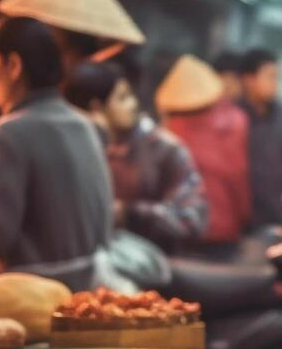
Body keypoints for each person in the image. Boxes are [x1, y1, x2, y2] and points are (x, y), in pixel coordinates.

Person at [0, 17, 117, 292]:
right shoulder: (85, 125)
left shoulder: (11, 130)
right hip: (90, 293)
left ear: (13, 66)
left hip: (35, 300)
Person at [65, 60, 207, 253]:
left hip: (155, 264)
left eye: (130, 95)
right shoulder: (78, 148)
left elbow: (191, 218)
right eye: (122, 98)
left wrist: (128, 213)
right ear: (96, 108)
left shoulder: (164, 149)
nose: (133, 104)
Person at [157, 53, 252, 251]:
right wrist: (245, 216)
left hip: (180, 227)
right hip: (224, 226)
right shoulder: (236, 120)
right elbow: (237, 174)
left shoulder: (169, 125)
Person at [237, 49, 282, 228]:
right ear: (249, 80)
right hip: (240, 219)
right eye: (270, 77)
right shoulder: (233, 117)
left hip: (274, 217)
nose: (275, 84)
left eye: (277, 78)